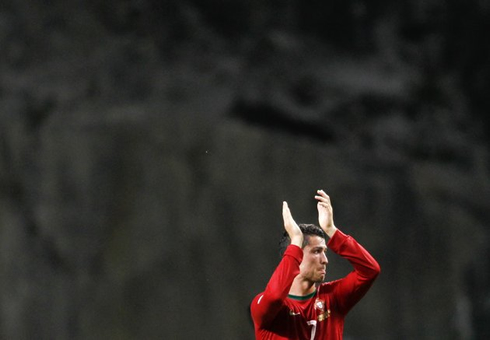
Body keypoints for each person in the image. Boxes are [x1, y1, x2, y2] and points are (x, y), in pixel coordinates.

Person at [250, 190, 380, 339]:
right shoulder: (265, 308)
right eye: (317, 251)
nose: (325, 260)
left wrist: (332, 230)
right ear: (296, 255)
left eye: (324, 251)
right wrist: (296, 240)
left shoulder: (333, 298)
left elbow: (370, 270)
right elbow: (274, 297)